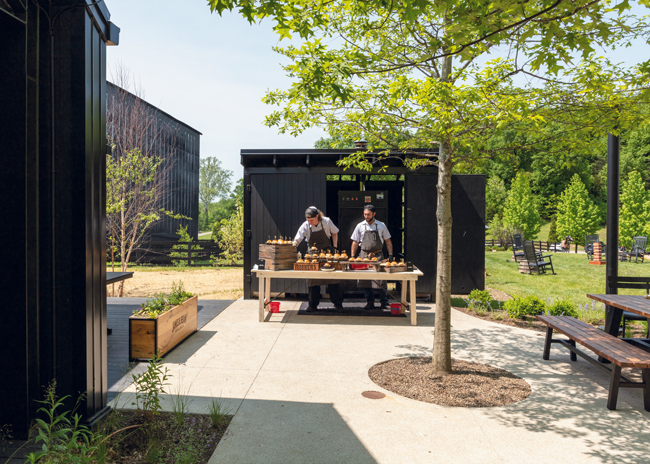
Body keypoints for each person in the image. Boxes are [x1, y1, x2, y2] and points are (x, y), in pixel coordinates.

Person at [293, 206, 345, 312]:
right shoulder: (306, 225)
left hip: (327, 253)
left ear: (317, 216)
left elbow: (335, 232)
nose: (309, 222)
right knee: (313, 279)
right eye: (308, 220)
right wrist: (294, 244)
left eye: (311, 220)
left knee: (332, 278)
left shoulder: (327, 221)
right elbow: (298, 238)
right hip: (313, 255)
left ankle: (338, 303)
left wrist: (335, 248)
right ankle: (313, 305)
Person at [350, 204, 393, 310]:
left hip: (378, 256)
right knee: (366, 279)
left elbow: (388, 241)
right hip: (364, 256)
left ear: (374, 214)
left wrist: (390, 255)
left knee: (381, 279)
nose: (366, 216)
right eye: (365, 214)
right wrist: (352, 257)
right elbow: (355, 242)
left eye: (368, 214)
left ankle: (384, 302)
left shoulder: (381, 225)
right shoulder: (360, 226)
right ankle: (370, 302)